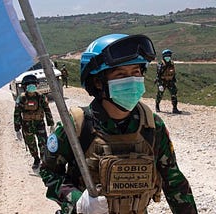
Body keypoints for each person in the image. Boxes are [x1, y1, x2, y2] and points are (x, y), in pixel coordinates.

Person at [39, 34, 197, 214]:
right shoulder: (76, 124)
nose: (131, 80)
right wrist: (77, 201)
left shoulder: (152, 126)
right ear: (98, 82)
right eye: (121, 74)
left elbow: (174, 182)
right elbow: (49, 171)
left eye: (136, 72)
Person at [14, 74, 55, 169]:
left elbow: (47, 110)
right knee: (31, 143)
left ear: (36, 85)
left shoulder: (41, 97)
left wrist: (51, 124)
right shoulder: (21, 98)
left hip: (39, 124)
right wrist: (17, 129)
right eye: (28, 84)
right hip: (27, 125)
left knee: (43, 143)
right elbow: (17, 113)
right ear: (24, 87)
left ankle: (44, 161)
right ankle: (36, 159)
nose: (31, 86)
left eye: (32, 84)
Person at [155, 49, 181, 114]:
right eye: (167, 56)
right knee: (160, 94)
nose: (168, 57)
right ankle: (157, 106)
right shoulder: (161, 64)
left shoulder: (171, 63)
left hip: (170, 81)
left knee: (174, 94)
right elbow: (158, 75)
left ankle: (175, 108)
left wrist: (174, 80)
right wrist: (160, 84)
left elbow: (173, 73)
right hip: (162, 81)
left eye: (169, 56)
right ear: (164, 56)